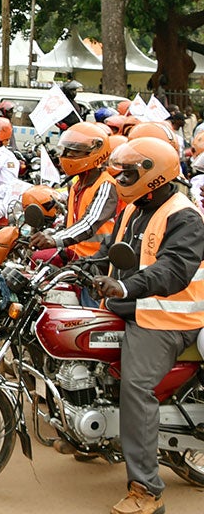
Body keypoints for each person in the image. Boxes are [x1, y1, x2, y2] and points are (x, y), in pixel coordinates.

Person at [90, 137, 204, 514]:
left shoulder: (184, 215)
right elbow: (111, 249)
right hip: (131, 307)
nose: (121, 177)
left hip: (169, 317)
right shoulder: (135, 207)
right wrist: (61, 259)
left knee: (136, 387)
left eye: (129, 172)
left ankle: (146, 490)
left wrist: (123, 285)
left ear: (153, 175)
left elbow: (172, 269)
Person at [29, 123, 119, 305]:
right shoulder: (76, 184)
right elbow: (69, 223)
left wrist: (55, 240)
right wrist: (48, 235)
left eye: (73, 152)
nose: (65, 157)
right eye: (65, 151)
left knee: (88, 315)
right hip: (76, 258)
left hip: (98, 263)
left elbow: (89, 223)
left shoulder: (106, 186)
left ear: (94, 154)